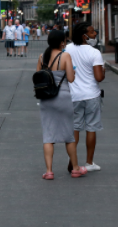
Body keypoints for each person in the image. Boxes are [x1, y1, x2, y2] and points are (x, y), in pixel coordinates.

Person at [37, 30, 87, 179]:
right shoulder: (65, 56)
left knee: (48, 135)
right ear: (61, 42)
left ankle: (49, 171)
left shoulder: (42, 57)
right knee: (69, 135)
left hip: (46, 99)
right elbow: (71, 79)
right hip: (63, 98)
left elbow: (38, 77)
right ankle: (76, 168)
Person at [66, 22, 105, 172]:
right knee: (91, 128)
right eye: (92, 32)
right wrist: (103, 71)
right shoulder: (94, 52)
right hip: (91, 95)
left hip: (73, 95)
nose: (95, 34)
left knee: (75, 128)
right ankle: (89, 163)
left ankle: (72, 159)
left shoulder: (67, 49)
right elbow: (99, 77)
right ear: (84, 36)